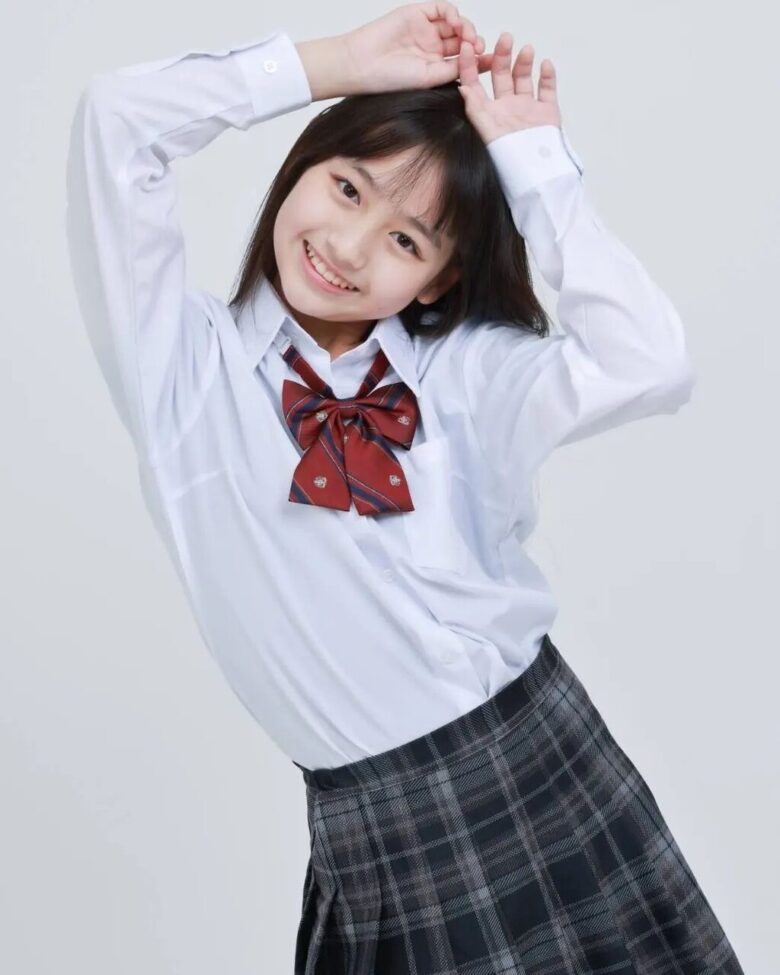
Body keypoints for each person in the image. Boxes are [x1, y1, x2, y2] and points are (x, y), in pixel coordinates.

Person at [65, 3, 745, 972]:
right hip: (371, 832)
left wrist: (535, 168)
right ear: (301, 166)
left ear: (436, 280)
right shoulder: (181, 370)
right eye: (346, 187)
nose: (348, 247)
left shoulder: (464, 375)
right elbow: (116, 118)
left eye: (406, 241)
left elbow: (650, 362)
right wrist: (338, 62)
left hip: (542, 764)